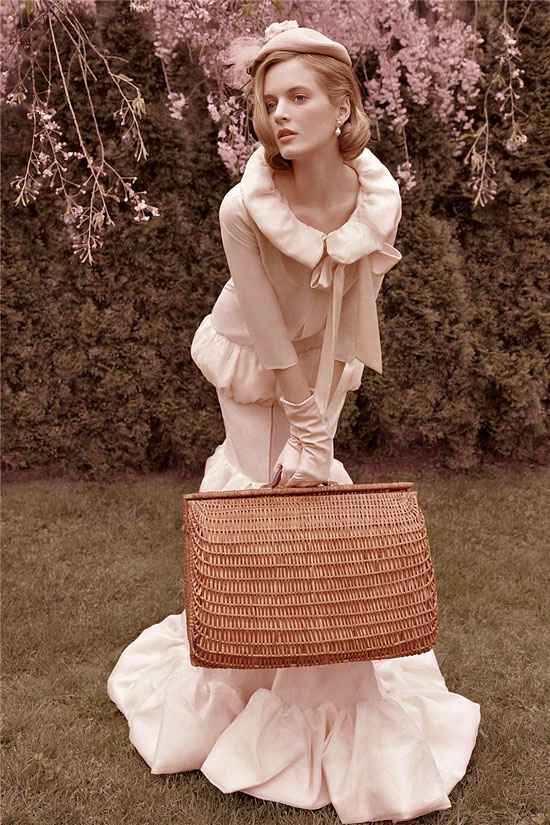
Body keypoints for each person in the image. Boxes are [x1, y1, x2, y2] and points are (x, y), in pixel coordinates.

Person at [107, 21, 481, 824]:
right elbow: (270, 332)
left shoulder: (376, 198)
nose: (278, 113)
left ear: (342, 106)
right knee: (262, 488)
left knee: (313, 492)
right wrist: (306, 432)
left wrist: (324, 425)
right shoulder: (242, 207)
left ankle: (328, 687)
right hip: (255, 359)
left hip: (325, 360)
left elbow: (356, 308)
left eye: (298, 97)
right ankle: (244, 663)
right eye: (269, 100)